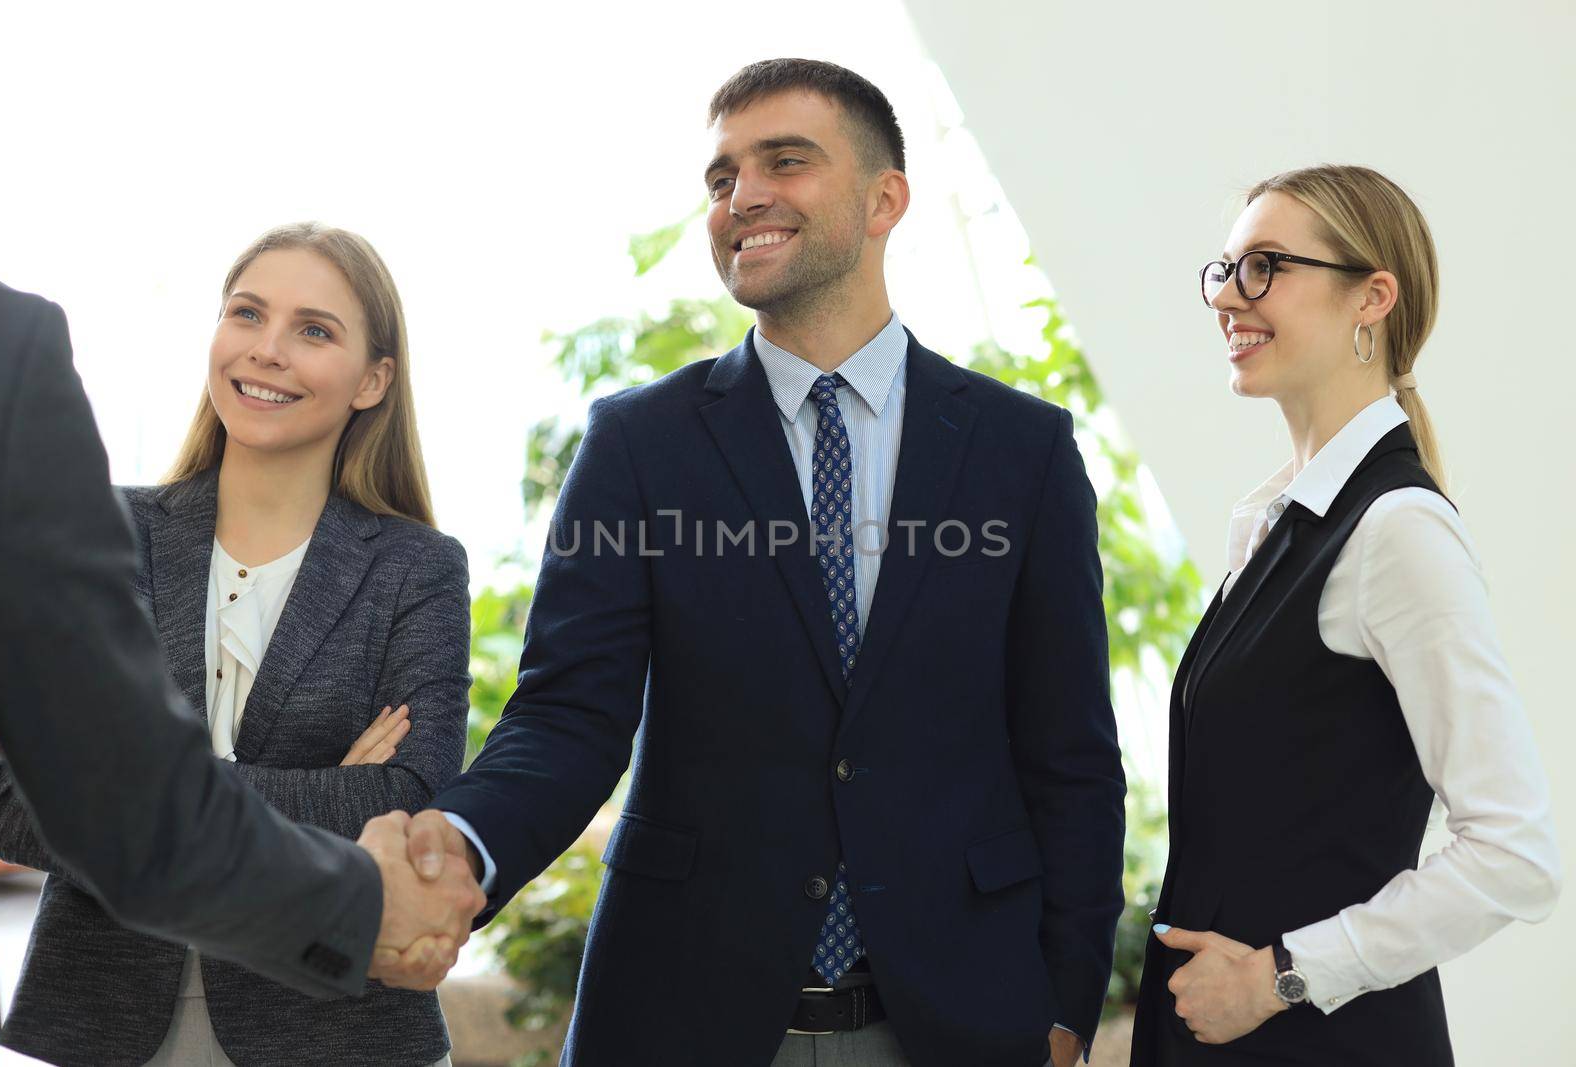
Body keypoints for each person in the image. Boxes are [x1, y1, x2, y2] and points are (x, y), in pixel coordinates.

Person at [402, 59, 1126, 1067]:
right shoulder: (636, 443)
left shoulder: (1022, 451)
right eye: (721, 178)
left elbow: (1071, 757)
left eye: (785, 161)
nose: (742, 197)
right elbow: (567, 714)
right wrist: (465, 843)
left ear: (886, 200)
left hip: (958, 1022)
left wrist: (1064, 1006)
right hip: (681, 1018)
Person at [0, 224, 471, 1066]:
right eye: (247, 313)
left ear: (374, 379)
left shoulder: (418, 566)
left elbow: (409, 798)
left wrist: (152, 787)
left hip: (334, 1031)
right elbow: (16, 810)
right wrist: (329, 790)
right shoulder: (107, 531)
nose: (268, 350)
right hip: (104, 1019)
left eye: (313, 330)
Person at [1129, 165, 1562, 1065]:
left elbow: (1516, 851)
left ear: (1373, 297)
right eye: (1224, 270)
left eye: (1266, 266)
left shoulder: (1397, 529)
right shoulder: (1273, 524)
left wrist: (1279, 976)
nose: (1229, 298)